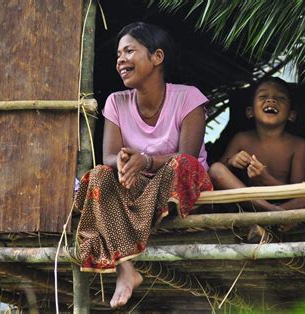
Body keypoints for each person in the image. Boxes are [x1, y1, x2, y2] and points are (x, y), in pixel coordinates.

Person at [74, 22, 212, 308]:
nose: (120, 60)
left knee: (183, 165)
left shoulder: (189, 98)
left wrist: (146, 161)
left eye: (129, 51)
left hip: (175, 185)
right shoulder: (116, 102)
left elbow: (187, 156)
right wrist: (123, 161)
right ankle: (126, 268)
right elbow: (109, 156)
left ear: (157, 57)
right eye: (118, 55)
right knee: (100, 175)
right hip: (134, 187)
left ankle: (127, 228)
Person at [208, 77, 305, 211]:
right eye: (263, 96)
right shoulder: (241, 139)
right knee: (215, 168)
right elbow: (216, 175)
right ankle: (272, 213)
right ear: (250, 112)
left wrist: (265, 178)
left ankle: (270, 214)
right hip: (249, 204)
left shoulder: (298, 145)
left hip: (286, 203)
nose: (271, 100)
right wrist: (231, 161)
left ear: (291, 115)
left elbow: (298, 192)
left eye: (280, 98)